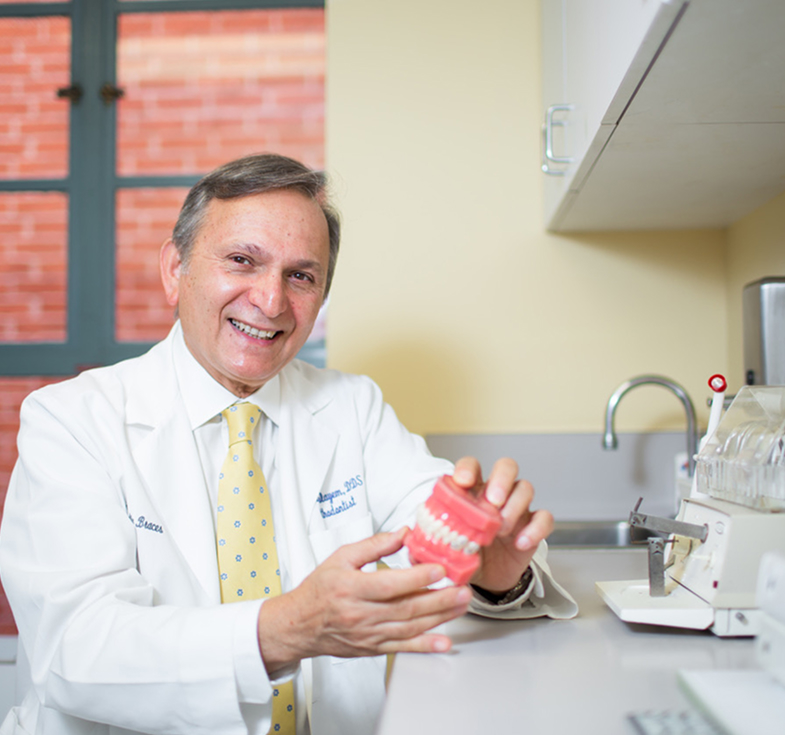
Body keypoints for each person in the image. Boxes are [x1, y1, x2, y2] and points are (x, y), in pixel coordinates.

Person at [0, 154, 577, 735]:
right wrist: (284, 629)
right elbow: (75, 648)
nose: (271, 301)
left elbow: (430, 538)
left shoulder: (354, 408)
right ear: (176, 270)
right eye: (242, 261)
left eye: (301, 276)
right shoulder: (71, 420)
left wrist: (491, 571)